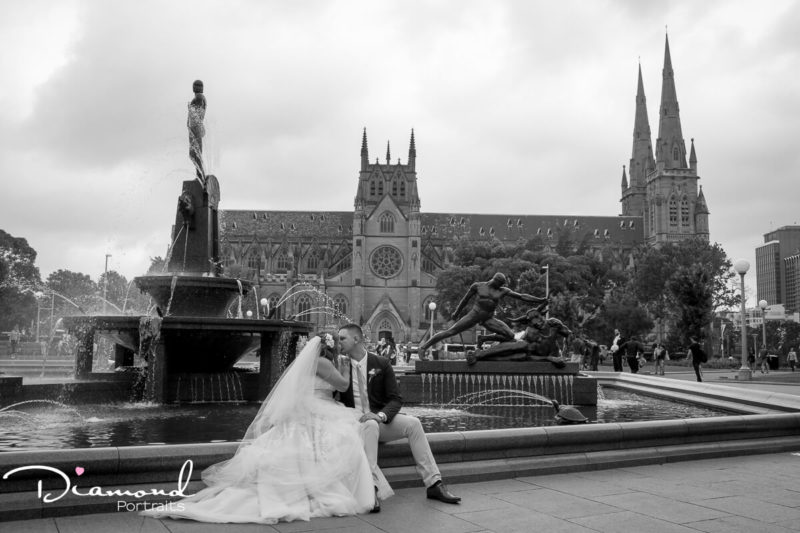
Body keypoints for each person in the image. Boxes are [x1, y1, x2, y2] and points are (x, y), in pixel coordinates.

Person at [140, 334, 390, 524]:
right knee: (348, 435)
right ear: (329, 348)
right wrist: (345, 368)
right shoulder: (324, 363)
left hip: (312, 408)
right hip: (319, 409)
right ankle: (365, 489)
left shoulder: (312, 362)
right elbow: (343, 384)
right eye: (338, 344)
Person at [337, 324, 461, 509]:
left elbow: (395, 399)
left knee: (414, 423)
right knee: (370, 425)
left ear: (356, 339)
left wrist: (380, 415)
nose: (338, 342)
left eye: (342, 338)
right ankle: (371, 488)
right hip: (353, 423)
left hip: (377, 420)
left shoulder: (381, 363)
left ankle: (434, 483)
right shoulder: (339, 365)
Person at [417, 273, 548, 357]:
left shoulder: (502, 291)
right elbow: (465, 300)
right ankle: (423, 347)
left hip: (488, 318)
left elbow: (521, 296)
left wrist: (539, 300)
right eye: (500, 284)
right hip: (474, 315)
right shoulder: (478, 286)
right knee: (450, 332)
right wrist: (456, 313)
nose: (501, 286)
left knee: (509, 335)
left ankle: (485, 344)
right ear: (495, 281)